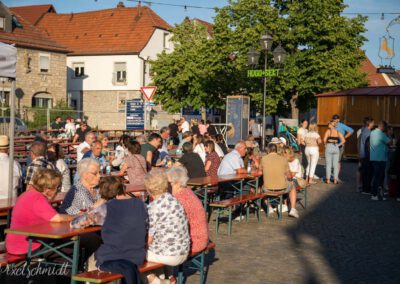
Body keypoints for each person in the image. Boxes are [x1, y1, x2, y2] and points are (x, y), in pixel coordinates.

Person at [87, 176, 148, 284]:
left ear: (105, 193)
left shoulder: (106, 208)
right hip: (137, 255)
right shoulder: (141, 204)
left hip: (113, 256)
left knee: (90, 260)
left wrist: (100, 201)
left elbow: (81, 221)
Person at [6, 169, 74, 255]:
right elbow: (57, 218)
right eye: (57, 188)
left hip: (16, 244)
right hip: (27, 246)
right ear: (47, 189)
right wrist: (76, 217)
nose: (58, 191)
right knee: (74, 249)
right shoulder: (37, 198)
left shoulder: (28, 194)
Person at [145, 170, 190, 284]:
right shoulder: (174, 200)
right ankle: (165, 278)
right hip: (183, 250)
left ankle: (154, 280)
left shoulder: (153, 208)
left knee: (132, 255)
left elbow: (148, 240)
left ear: (149, 189)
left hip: (169, 255)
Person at [166, 166, 208, 253]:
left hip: (194, 241)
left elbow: (172, 225)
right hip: (199, 237)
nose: (166, 185)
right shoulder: (186, 191)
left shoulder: (180, 198)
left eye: (169, 182)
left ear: (177, 182)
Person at [260, 143, 299, 218]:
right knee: (292, 186)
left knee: (261, 188)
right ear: (276, 150)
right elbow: (289, 176)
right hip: (282, 188)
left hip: (267, 188)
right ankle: (293, 209)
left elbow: (260, 172)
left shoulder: (263, 159)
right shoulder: (283, 159)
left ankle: (269, 207)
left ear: (268, 150)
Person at [370, 121, 391, 201]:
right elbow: (390, 142)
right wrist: (388, 134)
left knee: (377, 176)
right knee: (379, 177)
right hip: (381, 158)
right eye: (385, 127)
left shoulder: (372, 132)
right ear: (382, 126)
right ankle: (375, 194)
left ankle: (378, 194)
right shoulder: (381, 134)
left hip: (373, 157)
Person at [358, 117, 374, 194]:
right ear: (369, 123)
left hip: (362, 154)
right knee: (368, 173)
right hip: (367, 155)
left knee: (364, 172)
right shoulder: (368, 132)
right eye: (373, 123)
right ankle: (366, 189)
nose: (374, 124)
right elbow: (369, 145)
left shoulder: (363, 130)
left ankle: (364, 188)